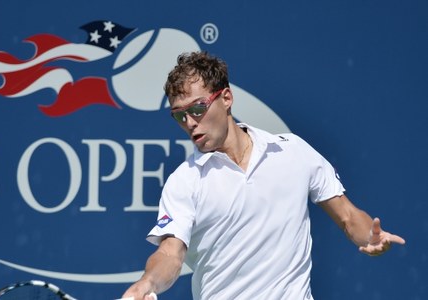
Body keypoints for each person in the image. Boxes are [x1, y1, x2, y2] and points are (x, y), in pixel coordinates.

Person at [121, 51, 406, 300]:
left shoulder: (293, 152)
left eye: (197, 109)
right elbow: (170, 254)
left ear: (227, 98)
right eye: (179, 115)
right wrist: (147, 283)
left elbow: (348, 217)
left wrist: (369, 236)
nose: (190, 123)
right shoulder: (184, 181)